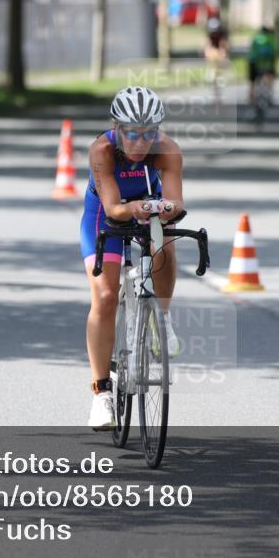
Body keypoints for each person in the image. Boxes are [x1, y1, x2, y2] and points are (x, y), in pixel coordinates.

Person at [81, 87, 184, 430]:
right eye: (132, 134)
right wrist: (134, 209)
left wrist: (165, 209)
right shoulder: (102, 150)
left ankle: (162, 319)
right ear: (117, 128)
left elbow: (176, 203)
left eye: (149, 134)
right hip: (104, 212)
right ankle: (101, 394)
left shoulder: (166, 150)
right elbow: (112, 208)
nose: (141, 143)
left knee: (165, 246)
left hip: (146, 203)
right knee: (106, 296)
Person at [248, 25, 277, 106]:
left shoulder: (256, 38)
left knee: (252, 80)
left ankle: (251, 98)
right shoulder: (271, 38)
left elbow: (251, 50)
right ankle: (270, 95)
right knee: (270, 76)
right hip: (267, 61)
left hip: (253, 61)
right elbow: (275, 51)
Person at [204, 18, 230, 107]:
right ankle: (214, 97)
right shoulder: (209, 38)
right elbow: (206, 50)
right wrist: (210, 54)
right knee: (210, 79)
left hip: (220, 63)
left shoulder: (222, 38)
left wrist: (220, 55)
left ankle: (218, 97)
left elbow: (224, 51)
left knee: (220, 80)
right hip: (213, 63)